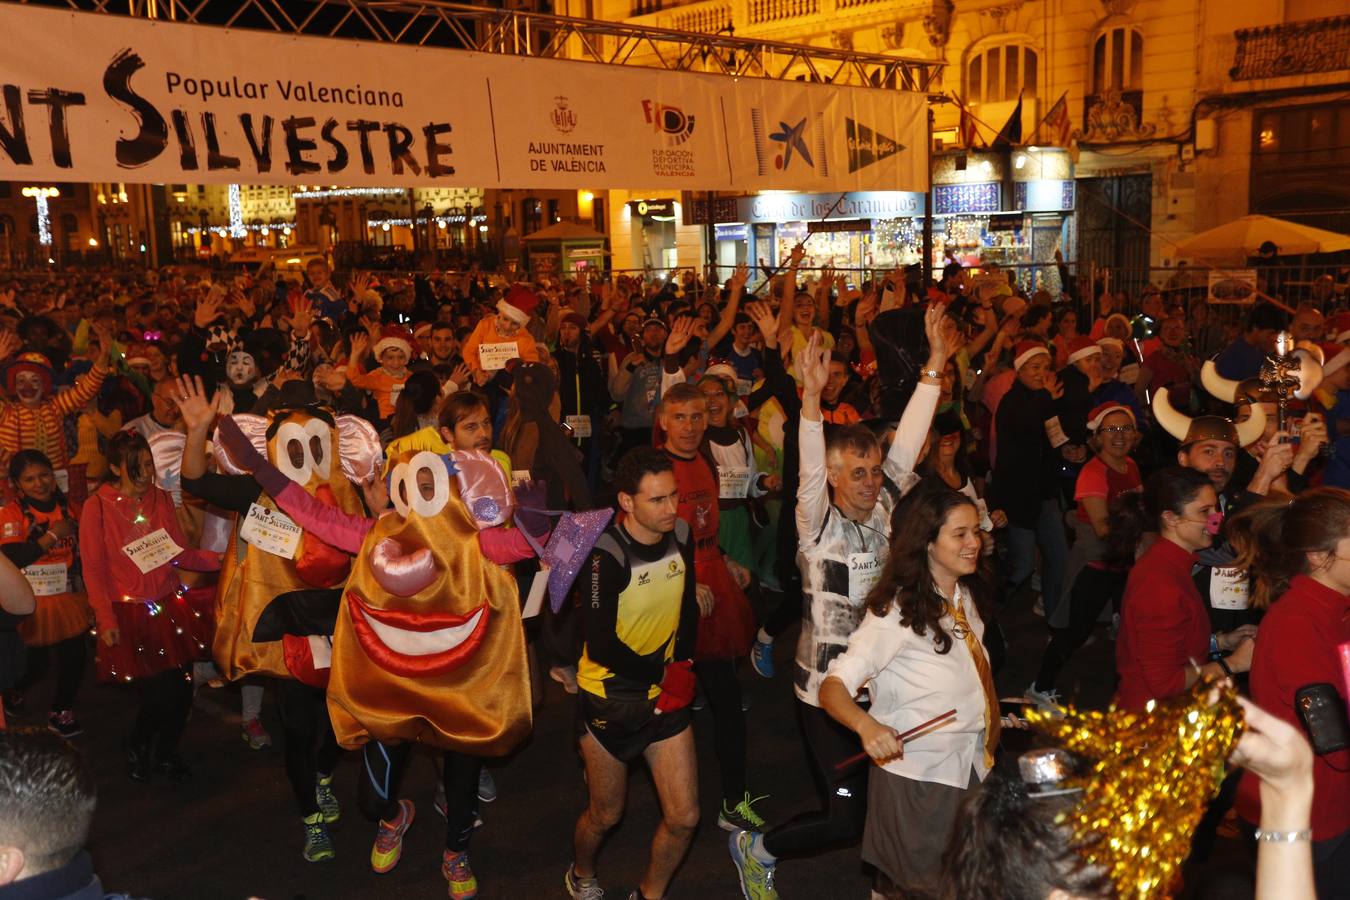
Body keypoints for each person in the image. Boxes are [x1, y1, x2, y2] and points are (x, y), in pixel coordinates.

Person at [727, 314, 945, 900]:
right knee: (844, 818)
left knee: (893, 799)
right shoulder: (815, 524)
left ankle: (884, 889)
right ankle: (758, 848)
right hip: (826, 692)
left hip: (887, 684)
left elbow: (912, 435)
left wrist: (936, 364)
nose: (872, 481)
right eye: (857, 473)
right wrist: (812, 399)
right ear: (833, 478)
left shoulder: (888, 504)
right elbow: (807, 466)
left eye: (875, 471)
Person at [819, 487, 997, 897]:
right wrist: (866, 725)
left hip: (968, 765)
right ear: (927, 542)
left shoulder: (961, 595)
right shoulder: (893, 614)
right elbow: (833, 688)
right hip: (919, 780)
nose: (975, 543)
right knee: (921, 888)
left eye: (976, 531)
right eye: (960, 534)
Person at [566, 447, 700, 900]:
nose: (671, 509)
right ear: (627, 502)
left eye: (674, 496)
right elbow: (602, 645)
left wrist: (684, 663)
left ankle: (649, 894)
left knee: (684, 818)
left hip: (664, 689)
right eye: (657, 500)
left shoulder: (681, 532)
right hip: (611, 694)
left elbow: (686, 607)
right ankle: (581, 873)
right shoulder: (605, 555)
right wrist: (662, 674)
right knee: (606, 815)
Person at [1228, 489, 1350, 896]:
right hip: (1306, 818)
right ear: (1319, 555)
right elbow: (1336, 744)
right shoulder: (1297, 624)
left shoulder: (1338, 607)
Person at [1114, 467, 1257, 710]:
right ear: (1170, 518)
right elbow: (1165, 683)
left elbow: (1171, 644)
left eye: (1215, 509)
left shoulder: (1172, 565)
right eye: (1204, 511)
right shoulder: (1159, 583)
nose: (1216, 519)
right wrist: (1232, 664)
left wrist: (1220, 643)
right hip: (1153, 723)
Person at [1027, 403, 1141, 708]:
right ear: (1098, 437)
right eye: (1111, 430)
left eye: (1126, 428)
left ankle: (1130, 692)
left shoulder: (1129, 465)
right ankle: (1039, 687)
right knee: (1074, 630)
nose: (1119, 436)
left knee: (1129, 627)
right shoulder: (1093, 472)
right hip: (1096, 563)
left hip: (1122, 560)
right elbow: (1104, 529)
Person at [0, 452, 89, 739]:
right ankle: (14, 688)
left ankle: (61, 710)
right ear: (17, 484)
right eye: (29, 479)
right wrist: (52, 536)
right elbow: (13, 557)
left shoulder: (71, 508)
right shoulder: (11, 514)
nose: (39, 483)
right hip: (33, 603)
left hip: (68, 597)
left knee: (76, 657)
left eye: (44, 475)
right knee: (36, 666)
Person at [989, 341, 1079, 621]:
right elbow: (1026, 426)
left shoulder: (1043, 398)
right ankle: (988, 612)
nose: (1041, 373)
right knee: (1023, 565)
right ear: (1019, 370)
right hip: (1018, 497)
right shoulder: (1012, 401)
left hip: (1045, 493)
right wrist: (1046, 399)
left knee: (1059, 559)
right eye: (1034, 367)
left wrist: (1066, 449)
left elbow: (1053, 433)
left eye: (1045, 367)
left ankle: (1055, 619)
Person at [1215, 305, 1284, 382]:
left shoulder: (1259, 349)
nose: (1273, 338)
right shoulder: (1235, 354)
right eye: (1270, 334)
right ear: (1255, 328)